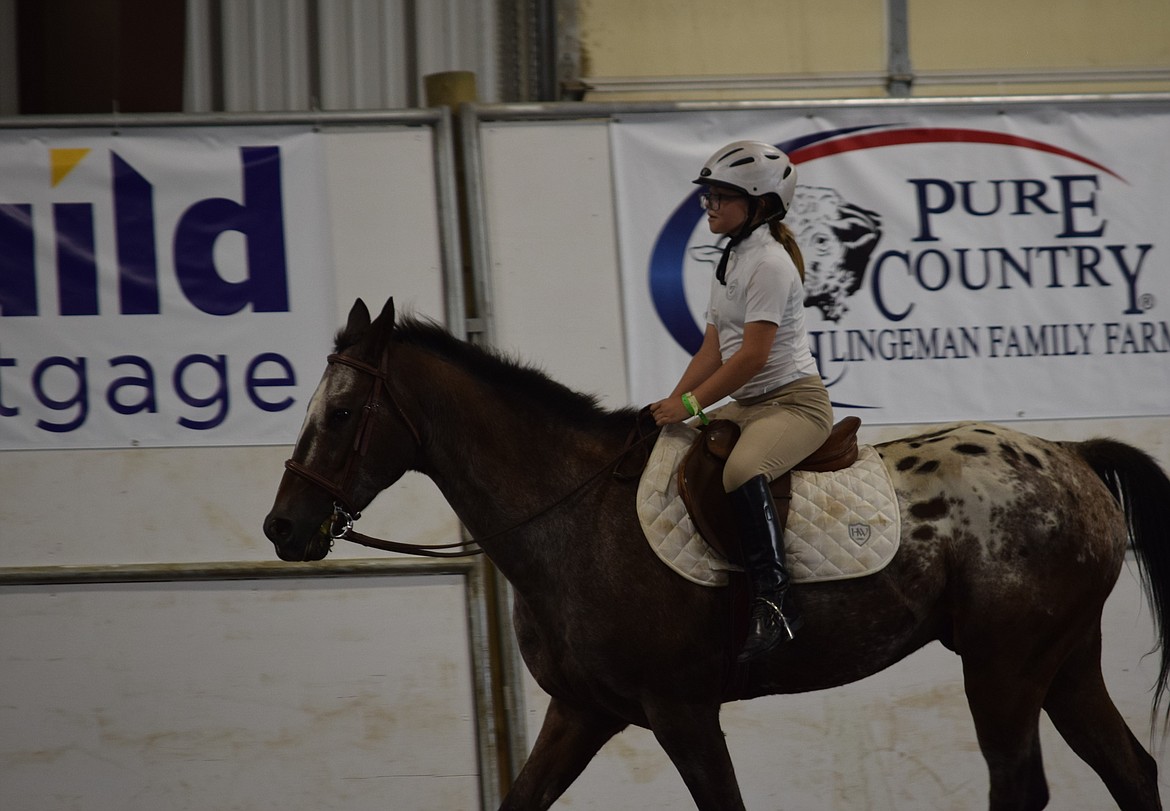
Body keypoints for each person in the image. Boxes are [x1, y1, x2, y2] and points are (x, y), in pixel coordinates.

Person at [650, 140, 833, 663]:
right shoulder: (731, 258)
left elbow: (752, 358)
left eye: (721, 196)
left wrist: (690, 405)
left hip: (794, 405)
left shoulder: (770, 265)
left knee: (742, 471)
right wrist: (674, 404)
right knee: (673, 446)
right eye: (708, 194)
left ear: (759, 204)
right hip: (751, 404)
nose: (708, 204)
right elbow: (714, 347)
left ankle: (776, 602)